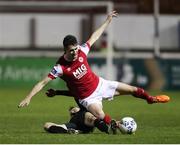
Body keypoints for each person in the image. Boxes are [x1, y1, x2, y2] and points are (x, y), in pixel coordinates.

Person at [18, 10, 170, 130]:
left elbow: (94, 36)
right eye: (72, 50)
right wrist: (28, 97)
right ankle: (116, 125)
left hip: (101, 84)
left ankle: (151, 99)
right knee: (100, 114)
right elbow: (42, 83)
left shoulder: (82, 51)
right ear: (65, 50)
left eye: (76, 49)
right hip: (88, 98)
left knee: (132, 89)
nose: (75, 52)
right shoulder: (60, 67)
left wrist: (107, 21)